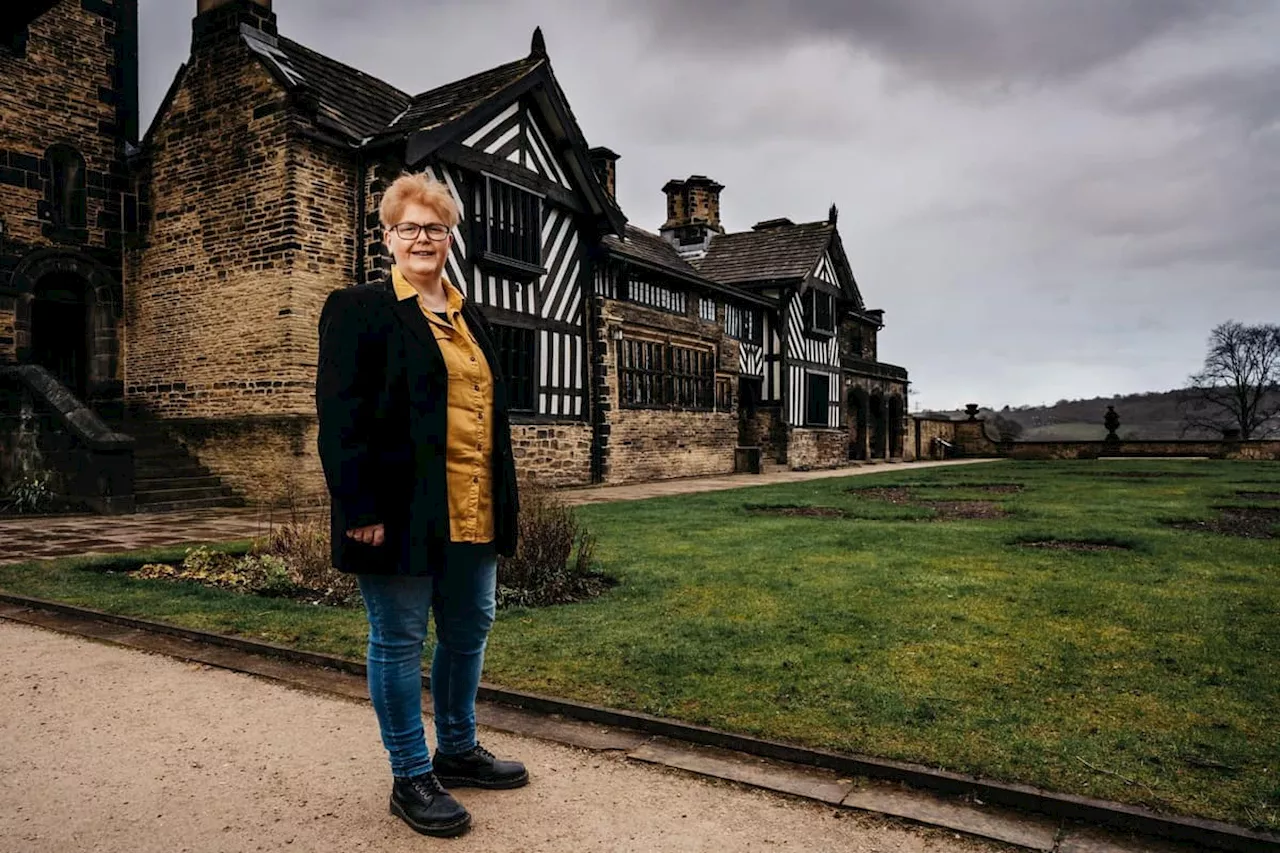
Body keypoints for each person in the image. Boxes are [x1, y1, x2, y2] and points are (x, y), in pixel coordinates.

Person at [315, 171, 526, 838]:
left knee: (469, 628)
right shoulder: (359, 309)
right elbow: (340, 418)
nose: (423, 238)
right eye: (409, 227)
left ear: (450, 235)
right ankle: (410, 774)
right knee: (400, 639)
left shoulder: (471, 315)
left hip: (472, 507)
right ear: (388, 236)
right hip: (398, 511)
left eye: (435, 227)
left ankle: (457, 748)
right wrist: (359, 508)